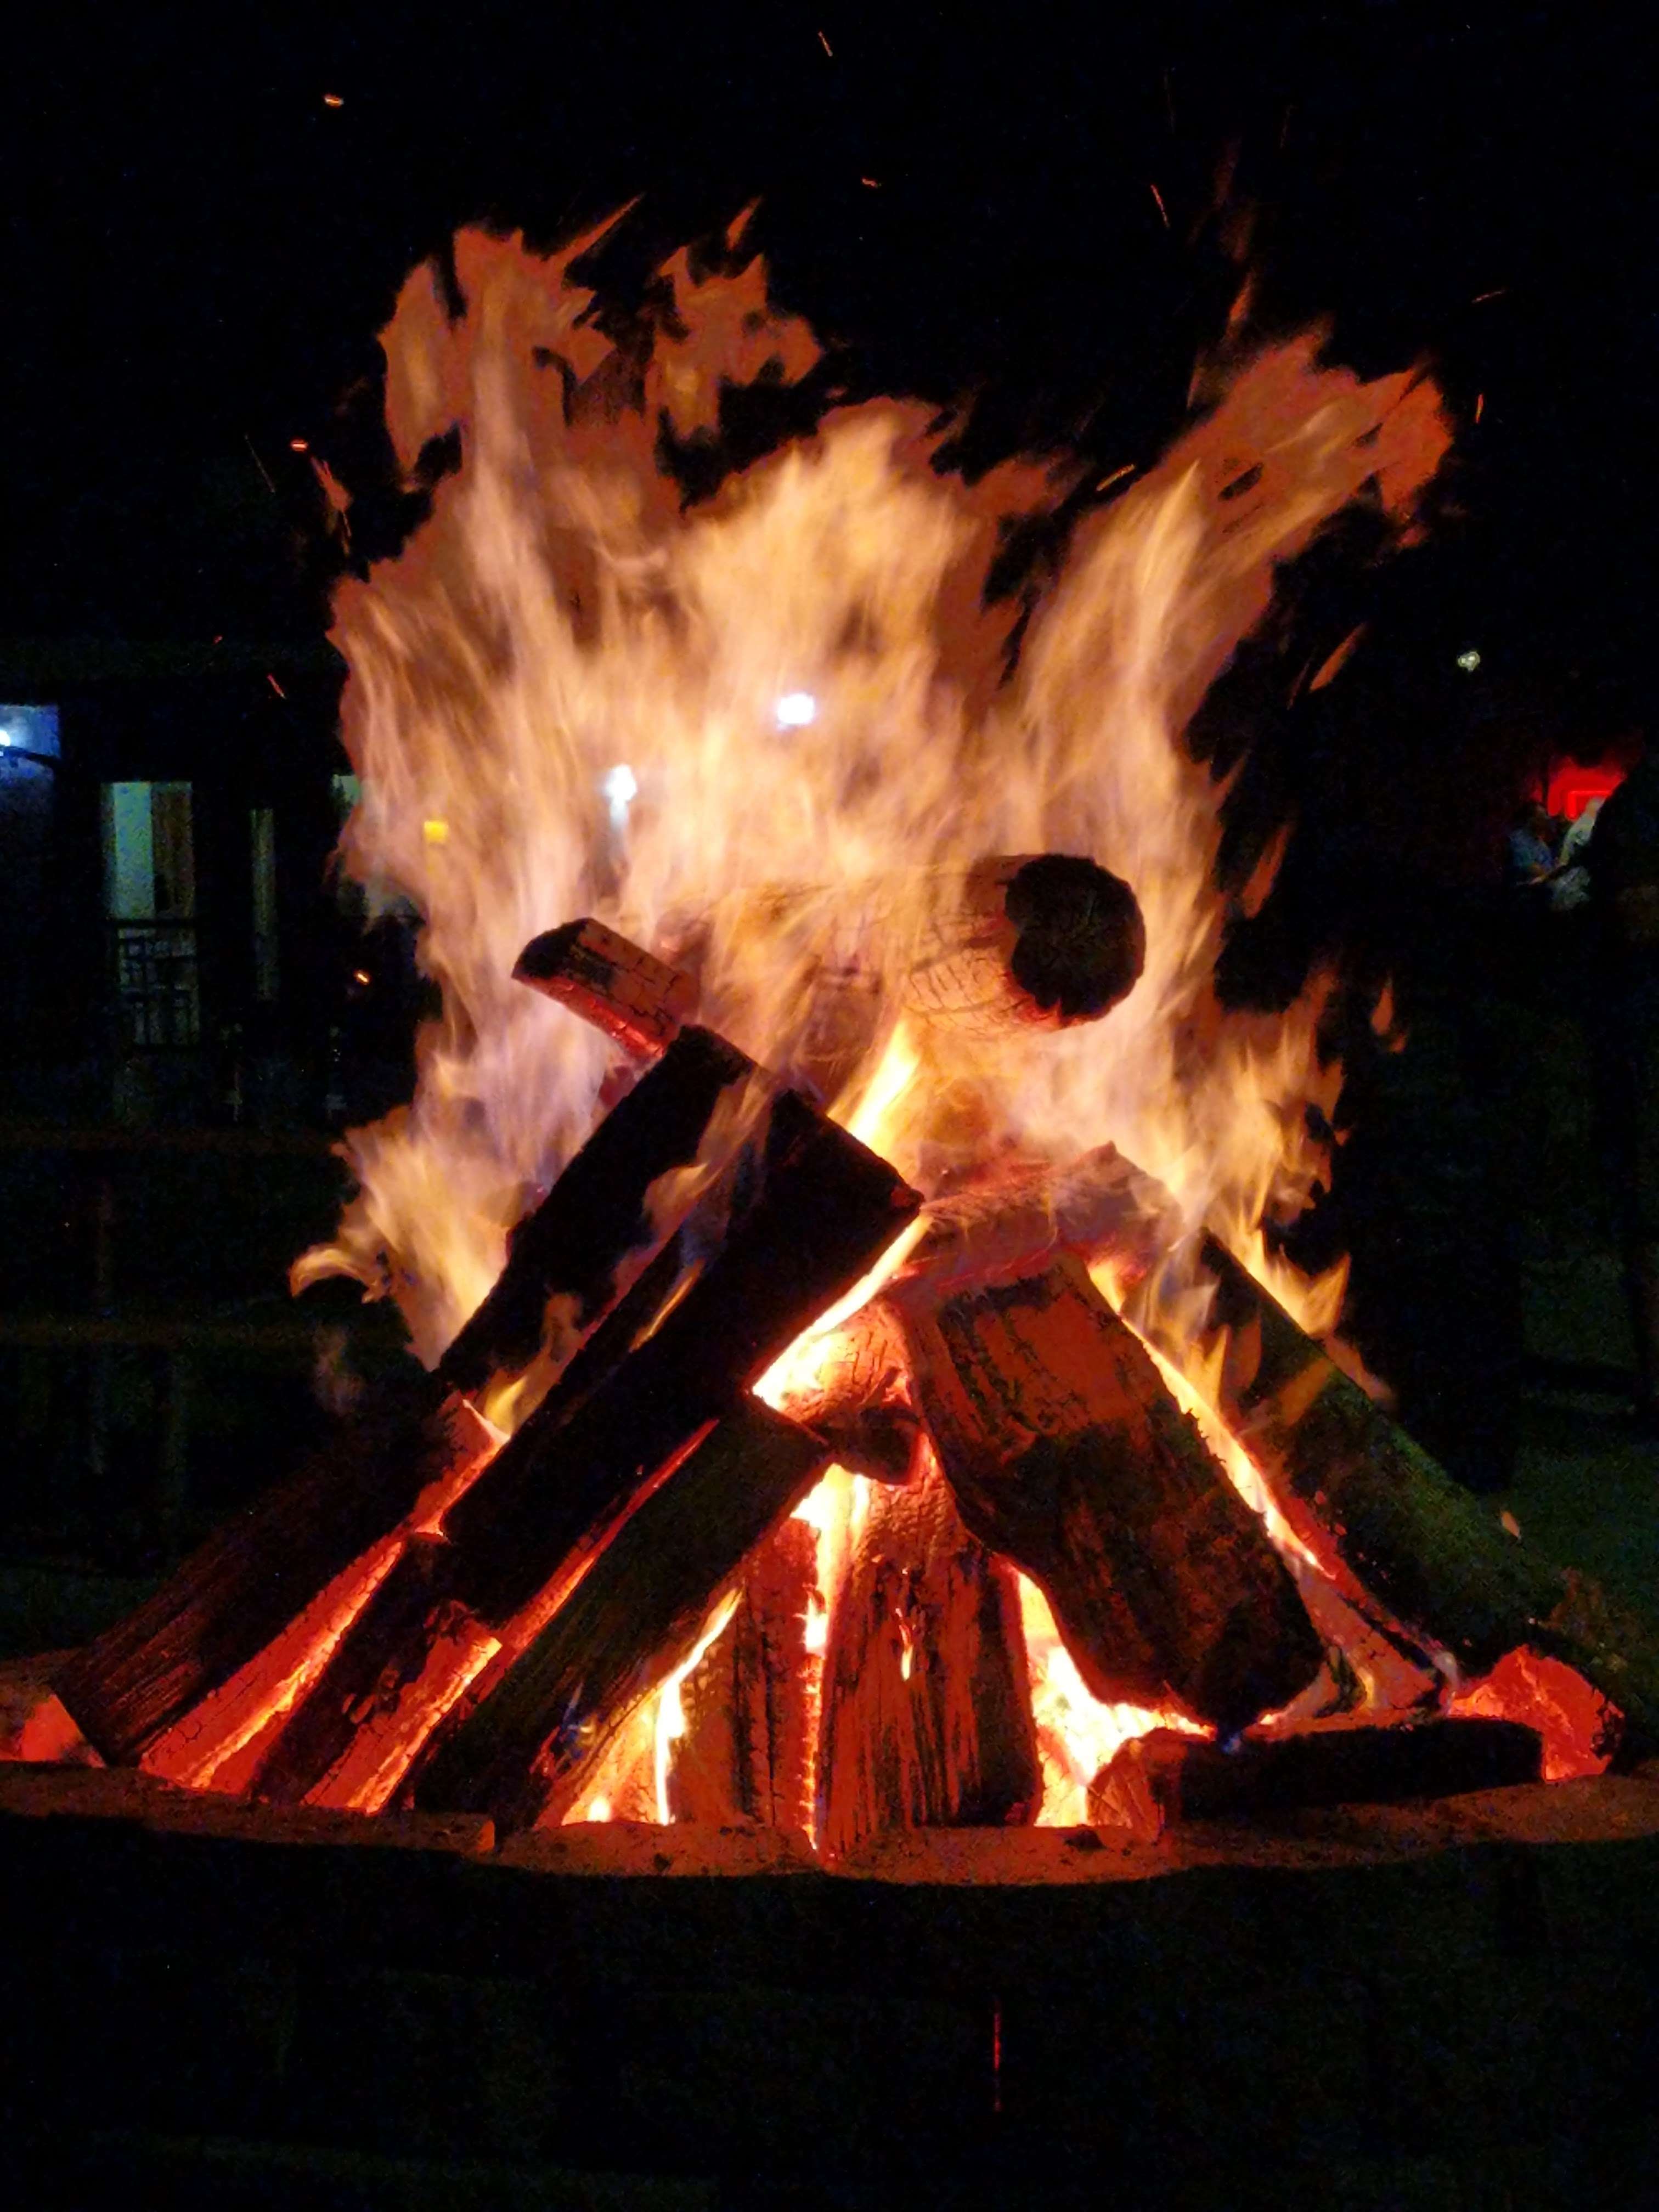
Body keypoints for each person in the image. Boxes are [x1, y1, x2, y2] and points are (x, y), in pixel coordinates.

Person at [1585, 744, 1659, 1427]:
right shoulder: (1635, 809)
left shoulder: (1637, 809)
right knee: (1644, 1217)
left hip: (1644, 1041)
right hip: (1641, 1037)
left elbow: (1637, 914)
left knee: (1647, 1219)